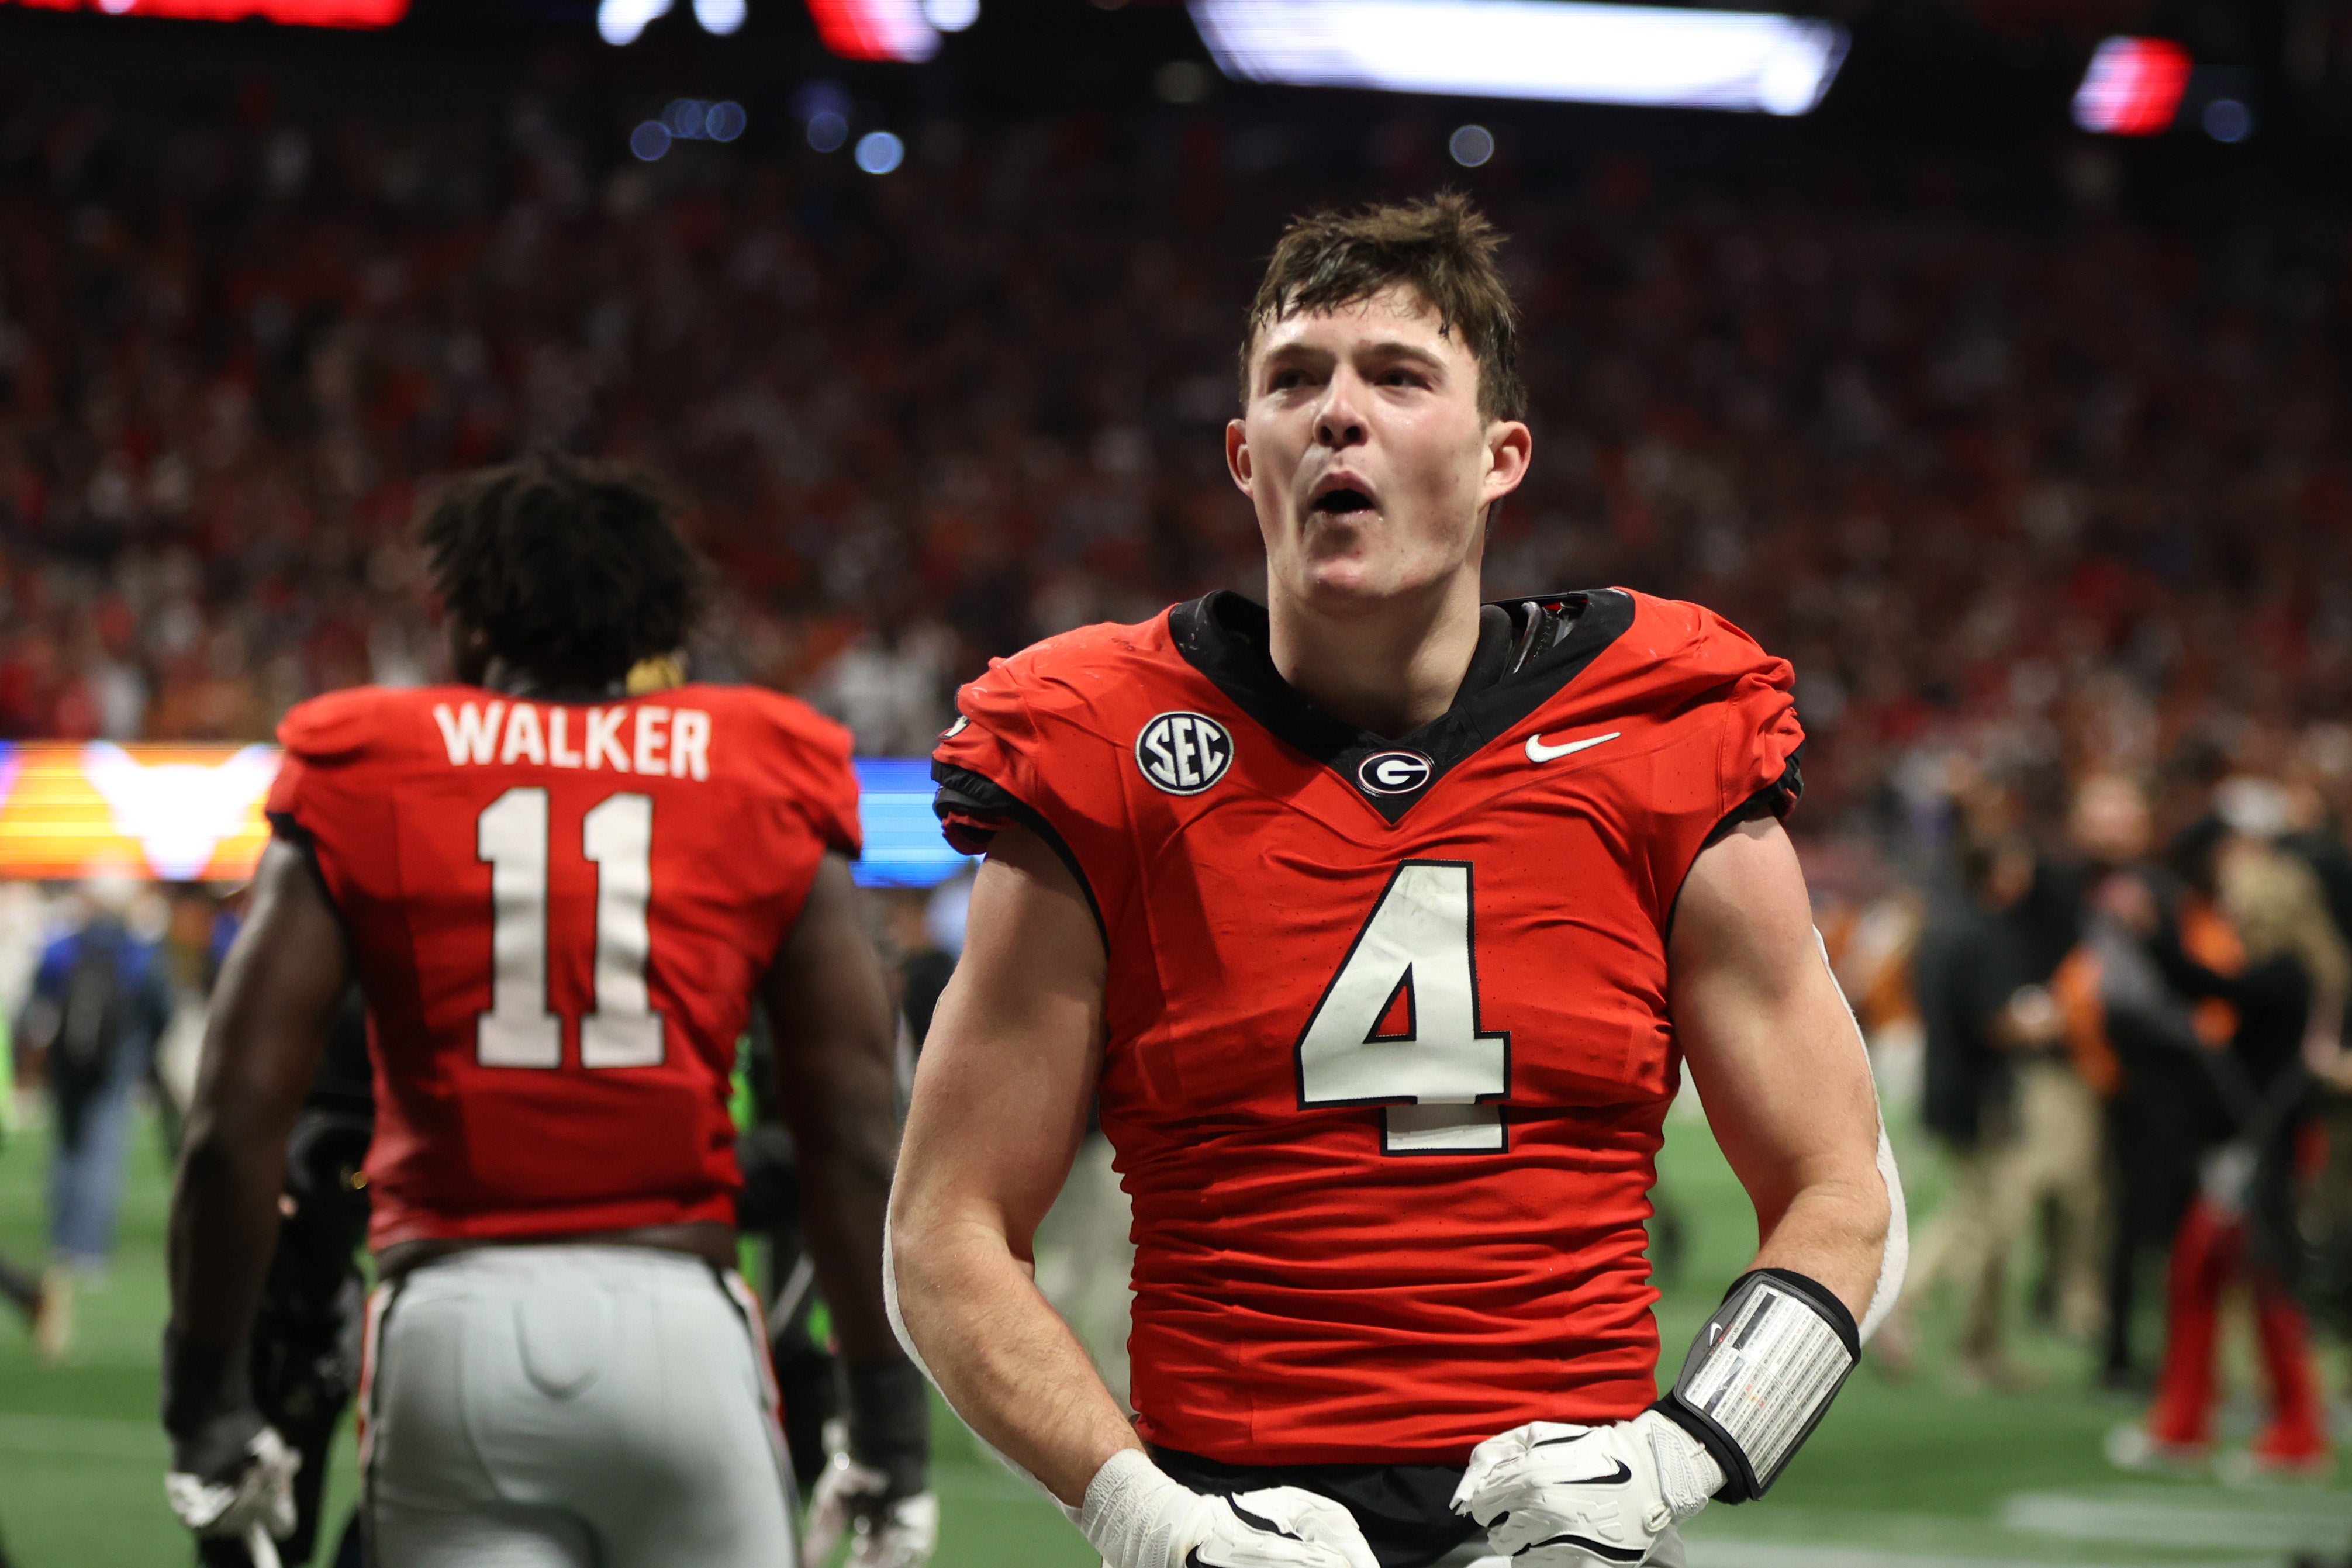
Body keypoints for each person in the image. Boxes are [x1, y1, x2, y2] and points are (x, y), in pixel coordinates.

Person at [890, 196, 1902, 1568]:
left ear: (1500, 457)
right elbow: (944, 1228)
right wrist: (1144, 1516)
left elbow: (1840, 1183)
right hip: (1236, 1524)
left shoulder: (1659, 723)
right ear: (1242, 456)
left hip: (1573, 1534)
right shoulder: (1101, 746)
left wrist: (1681, 1453)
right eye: (1294, 379)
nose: (1337, 415)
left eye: (1397, 376)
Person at [162, 453, 932, 1568]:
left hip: (451, 1328)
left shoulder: (367, 763)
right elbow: (854, 1134)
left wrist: (202, 1400)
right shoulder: (762, 764)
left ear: (468, 622)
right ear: (658, 628)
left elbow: (232, 1122)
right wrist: (888, 1428)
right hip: (681, 1324)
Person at [16, 872, 176, 1355]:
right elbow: (160, 1004)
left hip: (67, 1058)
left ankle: (64, 1241)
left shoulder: (65, 944)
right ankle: (88, 1249)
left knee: (66, 1146)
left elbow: (36, 998)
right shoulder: (138, 950)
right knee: (103, 1149)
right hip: (117, 1058)